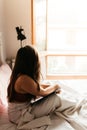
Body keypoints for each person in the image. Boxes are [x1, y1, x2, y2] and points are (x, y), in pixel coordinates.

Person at [7, 45, 61, 128]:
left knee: (52, 90)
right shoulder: (23, 79)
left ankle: (68, 104)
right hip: (20, 115)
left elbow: (36, 86)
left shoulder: (19, 74)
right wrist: (56, 86)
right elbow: (42, 92)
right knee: (55, 98)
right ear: (31, 61)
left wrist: (52, 86)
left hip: (19, 111)